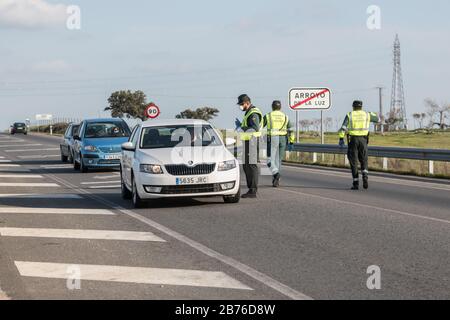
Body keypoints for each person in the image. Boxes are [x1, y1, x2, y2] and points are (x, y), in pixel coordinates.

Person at [338, 100, 379, 190]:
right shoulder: (366, 114)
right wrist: (371, 113)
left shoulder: (350, 114)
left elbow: (343, 128)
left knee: (354, 162)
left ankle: (356, 183)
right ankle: (365, 175)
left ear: (353, 107)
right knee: (364, 159)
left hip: (353, 140)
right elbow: (377, 119)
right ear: (361, 107)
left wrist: (341, 139)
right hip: (363, 140)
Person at [235, 94, 262, 198]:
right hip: (248, 141)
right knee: (246, 166)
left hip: (252, 141)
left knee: (251, 165)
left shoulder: (253, 113)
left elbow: (255, 128)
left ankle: (253, 190)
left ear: (247, 103)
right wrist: (241, 125)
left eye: (242, 104)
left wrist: (241, 127)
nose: (240, 106)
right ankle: (250, 188)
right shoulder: (248, 112)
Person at [262, 100, 295, 187]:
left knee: (270, 160)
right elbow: (291, 130)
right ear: (280, 107)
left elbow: (260, 126)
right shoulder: (285, 116)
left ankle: (276, 174)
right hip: (283, 139)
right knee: (278, 160)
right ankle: (276, 180)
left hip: (273, 138)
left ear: (272, 107)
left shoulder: (268, 116)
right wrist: (291, 141)